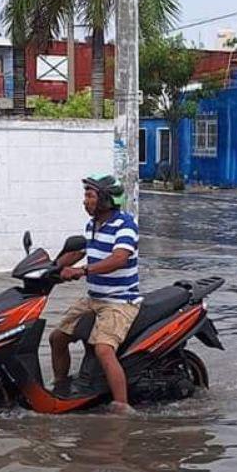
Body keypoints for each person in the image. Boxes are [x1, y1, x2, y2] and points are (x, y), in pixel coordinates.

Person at [50, 174, 141, 411]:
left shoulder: (125, 225)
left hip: (120, 301)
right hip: (94, 298)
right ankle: (61, 388)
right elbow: (80, 251)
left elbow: (119, 259)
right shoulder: (93, 225)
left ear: (105, 200)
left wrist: (81, 271)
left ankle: (121, 406)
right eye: (85, 196)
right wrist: (51, 267)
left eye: (90, 196)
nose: (85, 201)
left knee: (103, 349)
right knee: (57, 338)